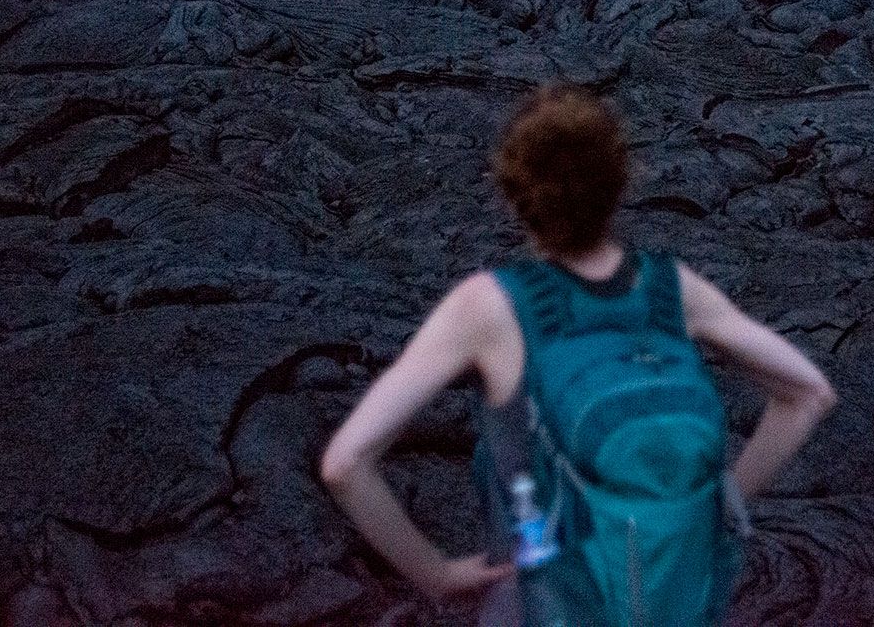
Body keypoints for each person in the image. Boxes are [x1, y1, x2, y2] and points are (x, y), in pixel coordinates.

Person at [320, 86, 836, 624]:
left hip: (545, 602)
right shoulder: (671, 289)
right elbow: (809, 393)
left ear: (511, 194)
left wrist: (437, 575)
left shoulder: (487, 307)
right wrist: (719, 502)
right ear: (622, 182)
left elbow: (345, 464)